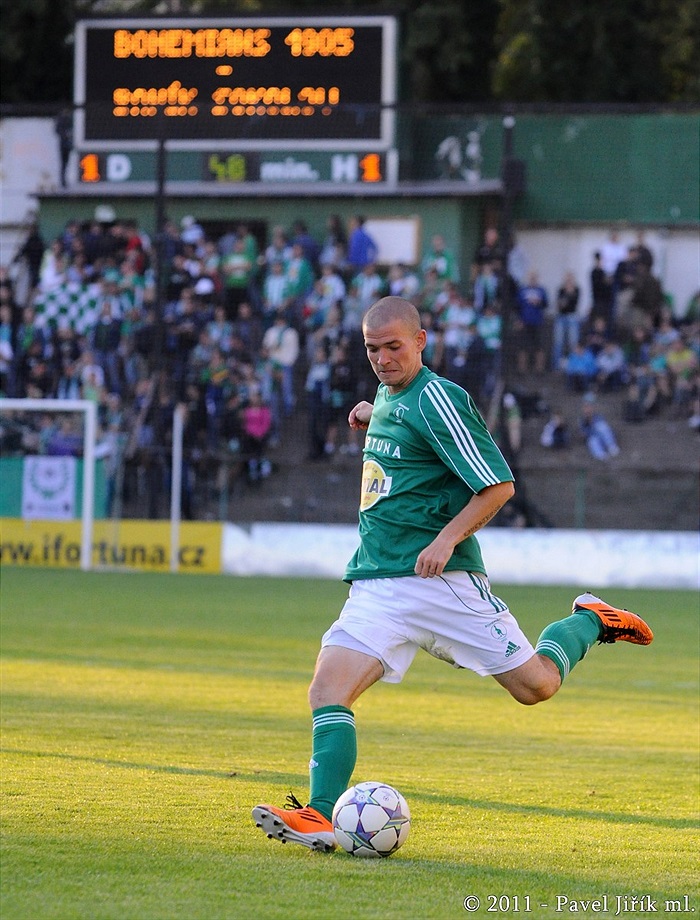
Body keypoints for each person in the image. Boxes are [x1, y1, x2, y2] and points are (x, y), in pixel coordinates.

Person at [252, 296, 653, 852]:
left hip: (440, 583)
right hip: (377, 583)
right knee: (327, 690)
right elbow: (402, 421)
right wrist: (375, 413)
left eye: (395, 346)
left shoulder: (440, 398)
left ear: (421, 341)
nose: (383, 358)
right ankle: (320, 815)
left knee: (536, 686)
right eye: (373, 349)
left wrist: (447, 539)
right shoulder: (392, 398)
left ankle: (589, 621)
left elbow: (498, 485)